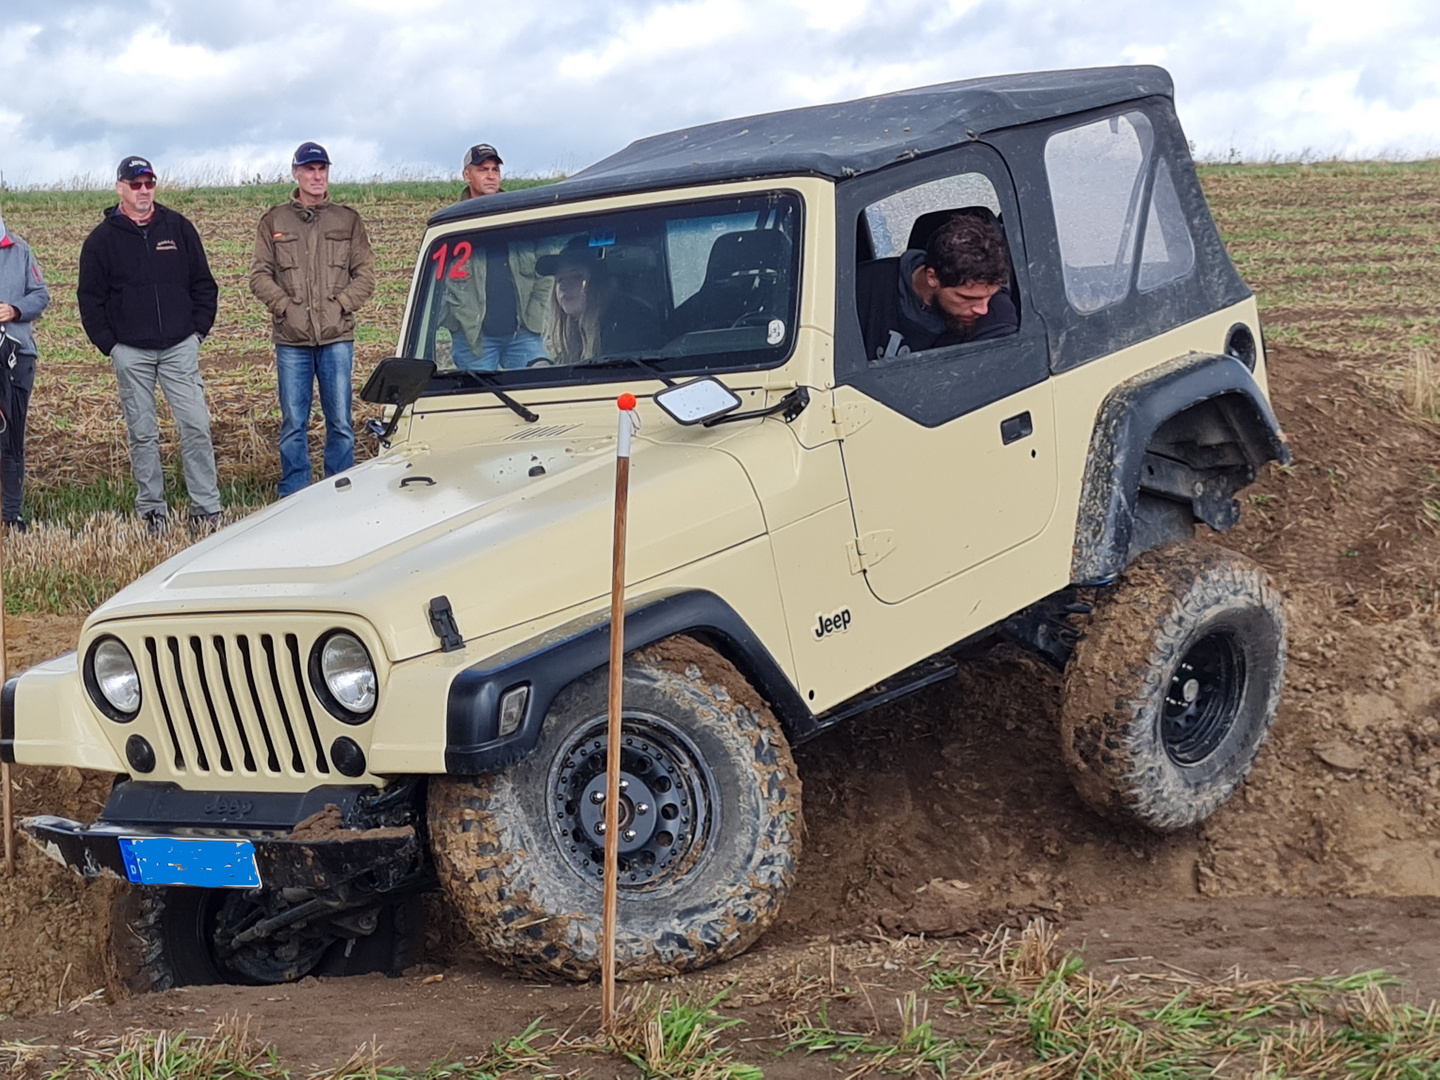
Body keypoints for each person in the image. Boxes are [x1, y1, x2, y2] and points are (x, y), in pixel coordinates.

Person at [77, 156, 222, 534]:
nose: (144, 191)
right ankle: (152, 512)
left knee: (195, 425)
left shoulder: (178, 227)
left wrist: (197, 334)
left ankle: (206, 509)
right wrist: (112, 346)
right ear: (120, 188)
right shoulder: (101, 241)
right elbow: (90, 300)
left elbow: (204, 285)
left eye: (149, 183)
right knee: (143, 433)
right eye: (136, 184)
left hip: (179, 347)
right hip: (132, 351)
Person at [249, 142, 375, 497]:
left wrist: (341, 305)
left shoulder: (347, 220)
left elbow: (365, 275)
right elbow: (259, 276)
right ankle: (295, 492)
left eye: (322, 169)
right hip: (292, 340)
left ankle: (341, 489)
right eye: (309, 169)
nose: (317, 176)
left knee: (340, 422)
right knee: (293, 423)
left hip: (337, 337)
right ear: (296, 174)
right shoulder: (274, 221)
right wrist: (285, 307)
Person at [442, 143, 551, 371]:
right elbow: (436, 280)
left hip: (522, 335)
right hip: (474, 341)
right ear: (466, 175)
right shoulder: (452, 224)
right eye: (483, 170)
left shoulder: (521, 219)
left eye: (495, 170)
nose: (491, 176)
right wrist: (456, 322)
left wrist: (534, 317)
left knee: (542, 379)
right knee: (480, 402)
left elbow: (545, 271)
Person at [855, 212, 1018, 361]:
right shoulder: (861, 288)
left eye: (989, 296)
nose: (983, 309)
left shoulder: (998, 318)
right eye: (967, 298)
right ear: (932, 277)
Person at [0, 205, 52, 532]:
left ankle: (12, 515)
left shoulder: (19, 250)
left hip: (16, 355)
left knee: (11, 437)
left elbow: (41, 295)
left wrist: (15, 310)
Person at [538, 236, 662, 365]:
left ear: (600, 281)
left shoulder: (627, 321)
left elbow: (613, 374)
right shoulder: (576, 330)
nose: (564, 286)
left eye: (577, 276)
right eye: (560, 279)